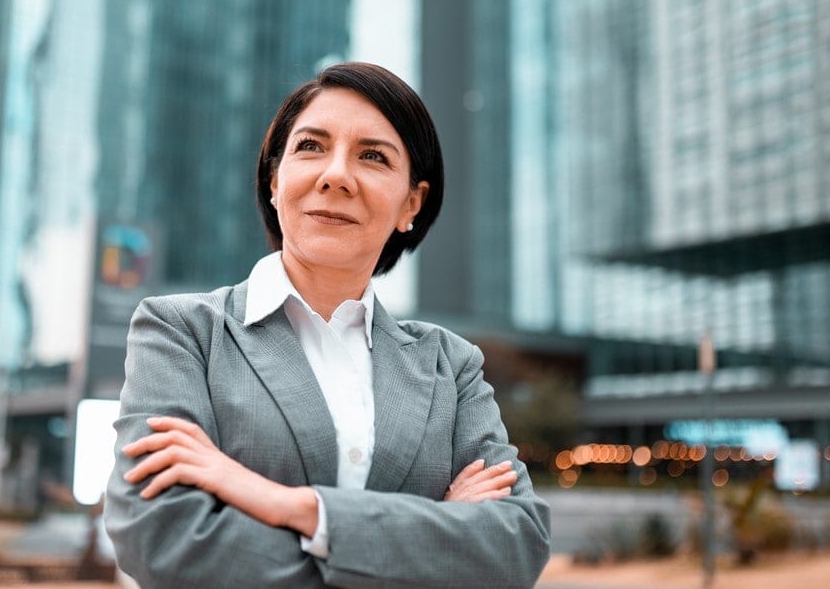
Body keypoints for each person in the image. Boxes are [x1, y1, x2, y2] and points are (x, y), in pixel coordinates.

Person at [104, 62, 551, 588]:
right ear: (275, 181)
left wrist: (291, 506)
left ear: (411, 202)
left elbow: (515, 544)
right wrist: (435, 532)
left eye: (373, 156)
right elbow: (161, 537)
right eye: (311, 146)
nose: (336, 175)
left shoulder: (450, 367)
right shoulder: (184, 333)